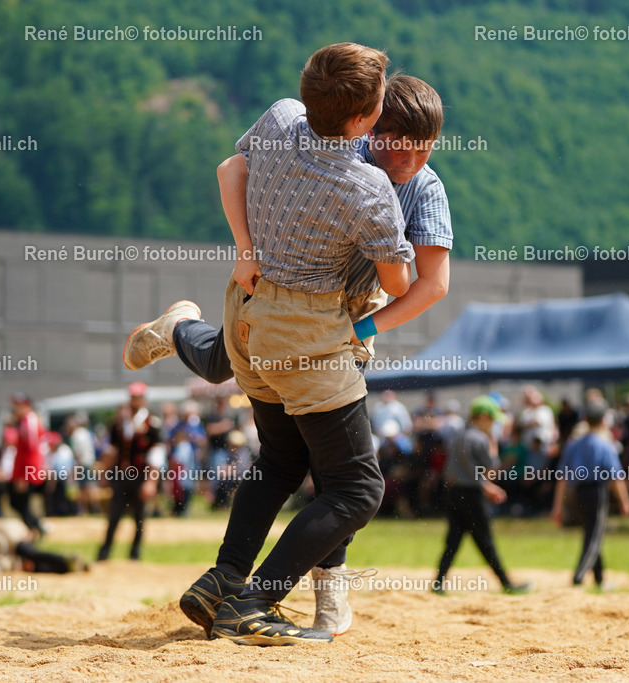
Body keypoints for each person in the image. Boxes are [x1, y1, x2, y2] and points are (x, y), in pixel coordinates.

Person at [129, 72, 452, 640]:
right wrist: (246, 249)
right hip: (296, 318)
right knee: (348, 481)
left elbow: (431, 285)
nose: (412, 158)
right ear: (370, 124)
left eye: (424, 147)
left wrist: (363, 325)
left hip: (312, 321)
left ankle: (235, 580)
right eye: (400, 142)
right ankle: (262, 599)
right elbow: (404, 281)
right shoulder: (341, 159)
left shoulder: (417, 183)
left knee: (277, 444)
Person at [434, 396, 529, 595]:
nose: (495, 425)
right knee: (485, 541)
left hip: (453, 494)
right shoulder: (481, 439)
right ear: (484, 417)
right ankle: (506, 583)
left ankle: (439, 583)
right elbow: (490, 469)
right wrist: (493, 444)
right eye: (493, 420)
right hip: (472, 497)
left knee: (453, 540)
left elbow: (461, 471)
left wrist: (486, 486)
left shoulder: (460, 436)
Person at [551, 400, 629, 588]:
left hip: (578, 493)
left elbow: (562, 477)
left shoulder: (573, 444)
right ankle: (579, 576)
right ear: (604, 420)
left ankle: (599, 578)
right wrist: (625, 501)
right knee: (594, 536)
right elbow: (616, 476)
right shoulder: (605, 445)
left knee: (591, 532)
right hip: (596, 492)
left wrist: (558, 506)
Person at [97, 382, 161, 562]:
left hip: (141, 476)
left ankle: (134, 554)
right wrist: (104, 473)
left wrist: (151, 482)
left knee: (139, 518)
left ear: (144, 400)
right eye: (133, 398)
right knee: (114, 515)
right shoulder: (118, 423)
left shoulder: (152, 424)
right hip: (121, 475)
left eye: (138, 398)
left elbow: (156, 455)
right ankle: (104, 553)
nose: (135, 401)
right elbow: (111, 450)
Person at [0, 518, 87, 574]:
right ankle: (68, 567)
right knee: (33, 566)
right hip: (15, 544)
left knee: (34, 556)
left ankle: (65, 561)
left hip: (15, 541)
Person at [9, 393, 47, 534]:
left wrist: (24, 476)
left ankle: (36, 528)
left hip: (28, 469)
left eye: (17, 405)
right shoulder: (25, 421)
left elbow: (31, 449)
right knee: (19, 502)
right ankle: (35, 527)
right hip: (25, 469)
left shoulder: (28, 421)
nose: (14, 409)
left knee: (19, 501)